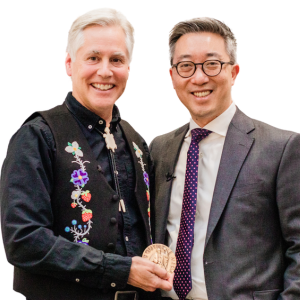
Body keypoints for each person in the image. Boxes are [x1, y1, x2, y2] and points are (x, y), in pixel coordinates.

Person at [0, 8, 172, 300]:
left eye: (116, 60)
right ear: (69, 64)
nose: (105, 71)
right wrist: (119, 270)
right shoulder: (38, 136)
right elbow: (24, 240)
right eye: (93, 58)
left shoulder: (137, 142)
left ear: (128, 68)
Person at [150, 17, 300, 300]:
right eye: (186, 66)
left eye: (212, 63)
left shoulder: (282, 148)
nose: (199, 77)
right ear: (172, 77)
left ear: (234, 72)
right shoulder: (160, 149)